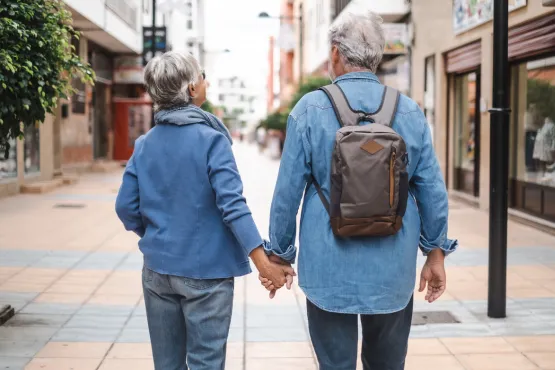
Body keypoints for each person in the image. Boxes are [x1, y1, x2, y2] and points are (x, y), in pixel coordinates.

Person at [261, 11, 457, 370]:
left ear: (336, 53)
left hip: (327, 264)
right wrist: (435, 254)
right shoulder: (409, 111)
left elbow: (286, 193)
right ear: (378, 56)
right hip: (392, 266)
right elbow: (431, 188)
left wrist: (280, 255)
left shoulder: (310, 109)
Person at [115, 51, 294, 370]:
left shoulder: (144, 144)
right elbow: (233, 205)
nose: (205, 81)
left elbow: (126, 207)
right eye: (202, 75)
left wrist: (158, 234)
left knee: (167, 364)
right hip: (207, 274)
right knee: (205, 363)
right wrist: (264, 264)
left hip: (158, 270)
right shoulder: (212, 141)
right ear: (192, 89)